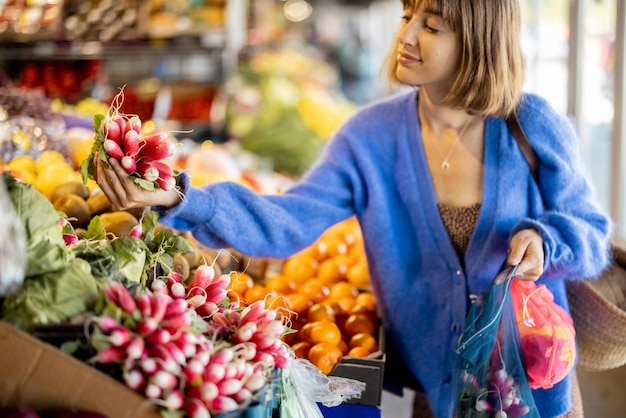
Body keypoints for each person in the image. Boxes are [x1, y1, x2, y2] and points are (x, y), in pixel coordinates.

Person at [95, 0, 611, 417]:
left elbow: (590, 235)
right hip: (427, 396)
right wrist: (183, 197)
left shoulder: (529, 124)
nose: (405, 35)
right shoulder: (370, 139)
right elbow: (287, 221)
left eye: (431, 25)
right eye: (408, 14)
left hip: (532, 396)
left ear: (478, 39)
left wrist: (547, 241)